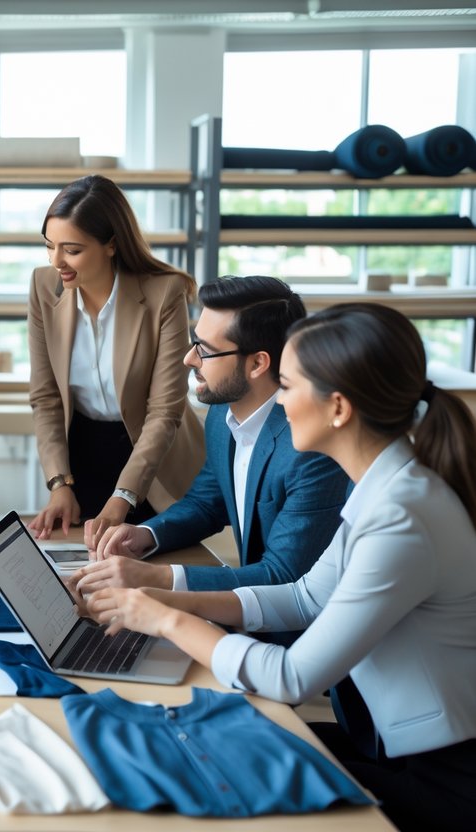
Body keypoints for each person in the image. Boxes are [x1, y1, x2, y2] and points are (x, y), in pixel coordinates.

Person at [77, 304, 476, 832]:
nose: (279, 403)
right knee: (207, 744)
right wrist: (161, 600)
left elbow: (292, 677)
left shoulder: (401, 516)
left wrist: (163, 619)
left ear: (338, 408)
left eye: (287, 386)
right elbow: (307, 597)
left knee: (209, 775)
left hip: (440, 779)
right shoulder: (385, 488)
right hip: (386, 742)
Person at [77, 276, 349, 595]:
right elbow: (207, 503)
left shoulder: (311, 449)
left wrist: (157, 578)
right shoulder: (222, 414)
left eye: (204, 350)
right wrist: (146, 535)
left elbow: (284, 576)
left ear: (258, 363)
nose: (189, 359)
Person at [28, 175, 204, 544]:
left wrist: (124, 495)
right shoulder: (44, 287)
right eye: (49, 246)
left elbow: (164, 411)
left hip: (151, 460)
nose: (56, 261)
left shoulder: (163, 293)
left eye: (71, 250)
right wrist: (60, 482)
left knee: (150, 574)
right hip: (81, 456)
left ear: (111, 244)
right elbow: (46, 397)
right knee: (77, 571)